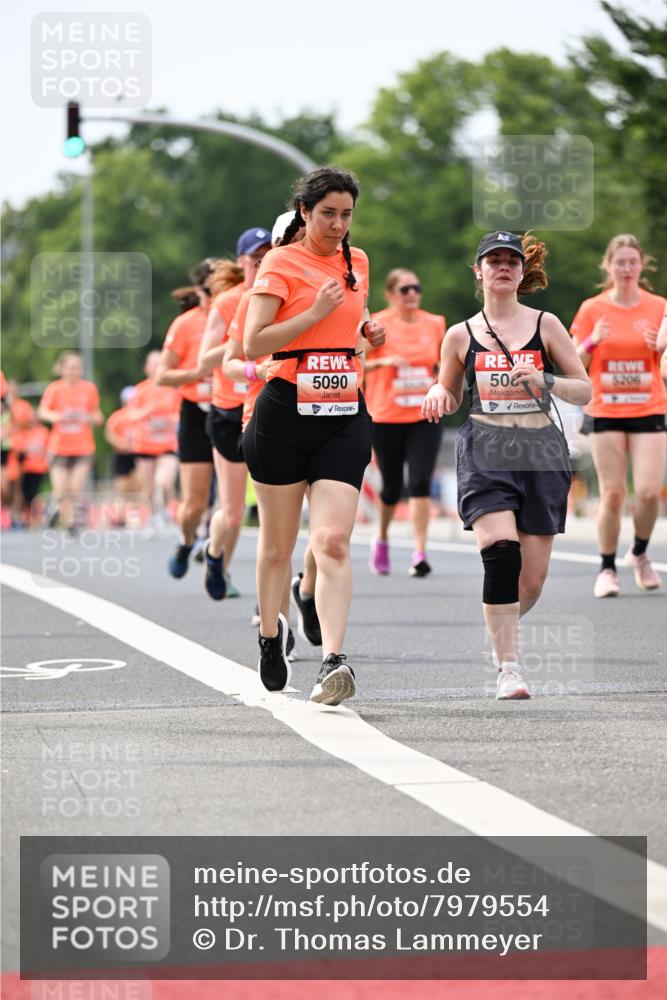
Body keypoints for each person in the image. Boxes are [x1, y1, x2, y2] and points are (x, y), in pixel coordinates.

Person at [422, 231, 591, 700]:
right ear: (478, 271)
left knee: (530, 581)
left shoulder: (547, 324)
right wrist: (440, 394)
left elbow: (584, 389)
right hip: (486, 446)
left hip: (540, 450)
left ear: (521, 271)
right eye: (492, 260)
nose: (502, 267)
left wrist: (546, 378)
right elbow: (451, 392)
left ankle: (499, 626)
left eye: (510, 261)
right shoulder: (460, 335)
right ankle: (509, 668)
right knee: (501, 553)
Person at [243, 166, 383, 704]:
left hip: (344, 411)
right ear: (304, 212)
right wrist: (315, 314)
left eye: (347, 215)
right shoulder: (280, 262)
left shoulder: (358, 260)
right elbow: (256, 344)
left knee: (331, 541)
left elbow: (354, 319)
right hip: (284, 414)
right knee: (278, 548)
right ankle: (269, 635)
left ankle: (333, 662)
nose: (338, 225)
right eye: (328, 214)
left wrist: (368, 330)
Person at [571, 235, 667, 597]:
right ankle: (607, 568)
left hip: (648, 407)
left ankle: (639, 552)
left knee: (647, 494)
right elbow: (575, 363)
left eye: (632, 262)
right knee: (612, 495)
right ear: (607, 266)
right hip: (605, 408)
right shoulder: (591, 309)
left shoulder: (659, 307)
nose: (626, 269)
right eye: (620, 262)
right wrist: (592, 340)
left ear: (642, 266)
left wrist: (659, 347)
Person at [198, 229, 272, 600]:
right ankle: (214, 555)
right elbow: (204, 360)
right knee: (231, 513)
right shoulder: (228, 302)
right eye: (254, 254)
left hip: (268, 409)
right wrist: (246, 342)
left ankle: (260, 595)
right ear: (241, 260)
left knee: (258, 514)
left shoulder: (280, 292)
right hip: (229, 410)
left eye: (267, 251)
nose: (261, 258)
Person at [364, 268, 446, 577]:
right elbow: (356, 365)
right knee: (392, 487)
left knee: (421, 481)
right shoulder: (378, 325)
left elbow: (446, 361)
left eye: (416, 288)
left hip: (425, 414)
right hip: (386, 415)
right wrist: (383, 362)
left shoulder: (435, 323)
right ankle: (382, 538)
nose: (412, 294)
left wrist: (443, 383)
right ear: (390, 295)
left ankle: (419, 552)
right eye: (404, 289)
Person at [156, 260, 216, 578]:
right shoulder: (185, 324)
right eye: (208, 290)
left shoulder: (240, 314)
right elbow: (162, 375)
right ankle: (186, 540)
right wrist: (196, 374)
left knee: (226, 506)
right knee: (194, 503)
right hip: (195, 412)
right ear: (198, 291)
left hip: (232, 410)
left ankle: (217, 563)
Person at [37, 352, 104, 531]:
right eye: (70, 367)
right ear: (62, 369)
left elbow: (98, 415)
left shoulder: (89, 389)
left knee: (75, 487)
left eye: (78, 367)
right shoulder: (54, 389)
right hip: (58, 447)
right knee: (60, 490)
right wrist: (58, 416)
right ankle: (55, 508)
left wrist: (89, 417)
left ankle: (70, 523)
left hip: (83, 447)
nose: (74, 371)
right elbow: (42, 412)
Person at [128, 351, 180, 525]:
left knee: (164, 481)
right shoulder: (140, 390)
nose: (157, 367)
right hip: (144, 446)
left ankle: (169, 510)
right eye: (153, 363)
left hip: (167, 445)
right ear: (147, 367)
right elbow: (130, 415)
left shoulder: (172, 390)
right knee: (148, 488)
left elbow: (180, 416)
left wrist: (171, 420)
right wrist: (145, 413)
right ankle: (151, 515)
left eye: (160, 363)